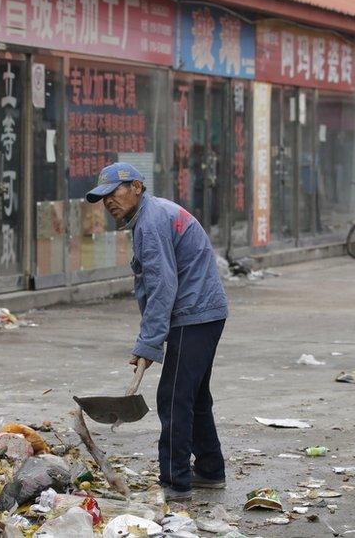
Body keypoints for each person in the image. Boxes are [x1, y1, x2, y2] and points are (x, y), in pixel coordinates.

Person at [85, 162, 229, 501]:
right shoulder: (152, 215)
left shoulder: (150, 223)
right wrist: (149, 341)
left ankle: (175, 482)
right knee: (194, 397)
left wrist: (148, 342)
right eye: (102, 197)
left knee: (174, 397)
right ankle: (209, 469)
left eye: (113, 192)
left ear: (136, 186)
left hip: (194, 315)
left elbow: (163, 286)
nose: (108, 202)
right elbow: (158, 287)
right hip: (204, 313)